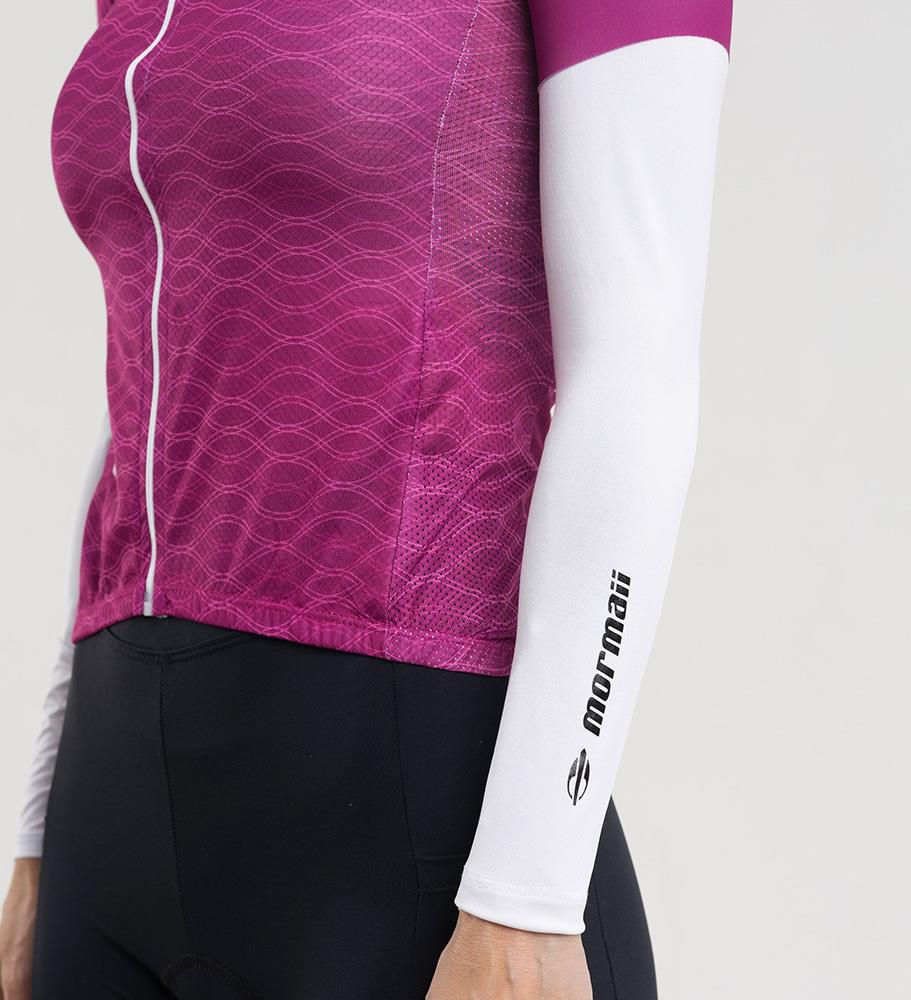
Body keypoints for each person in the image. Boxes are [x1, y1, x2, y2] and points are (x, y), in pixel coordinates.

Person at [0, 0, 732, 996]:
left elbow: (634, 377)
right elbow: (164, 379)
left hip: (408, 826)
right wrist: (39, 824)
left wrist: (531, 892)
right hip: (108, 819)